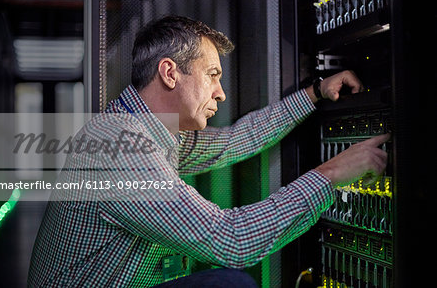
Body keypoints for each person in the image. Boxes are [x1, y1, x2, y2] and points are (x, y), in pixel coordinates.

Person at [28, 16, 389, 287]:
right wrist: (331, 175)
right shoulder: (119, 147)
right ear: (170, 73)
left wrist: (314, 92)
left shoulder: (148, 132)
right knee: (231, 284)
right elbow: (232, 240)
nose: (220, 93)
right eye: (212, 75)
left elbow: (236, 140)